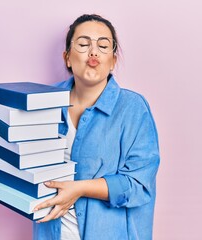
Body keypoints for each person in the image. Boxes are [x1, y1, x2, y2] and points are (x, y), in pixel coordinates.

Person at [32, 14, 160, 240]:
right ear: (67, 58)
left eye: (103, 46)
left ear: (113, 60)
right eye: (83, 44)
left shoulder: (133, 108)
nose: (93, 52)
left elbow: (140, 185)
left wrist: (80, 188)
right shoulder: (42, 101)